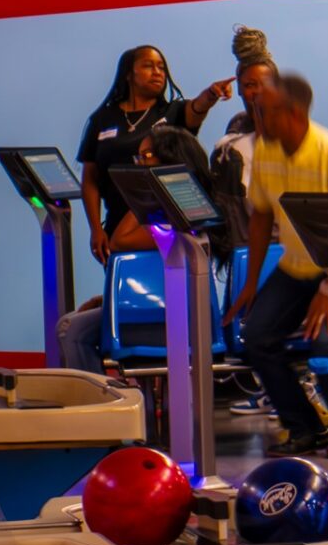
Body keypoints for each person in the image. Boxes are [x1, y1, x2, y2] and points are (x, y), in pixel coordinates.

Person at [227, 73, 328, 457]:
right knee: (257, 337)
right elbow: (261, 215)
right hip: (295, 267)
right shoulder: (266, 150)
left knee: (325, 342)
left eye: (266, 111)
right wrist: (251, 283)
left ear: (294, 113)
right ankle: (305, 427)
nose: (258, 118)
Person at [57, 124, 230, 373]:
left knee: (71, 330)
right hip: (157, 309)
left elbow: (120, 241)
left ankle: (101, 396)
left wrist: (143, 192)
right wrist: (107, 300)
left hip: (171, 317)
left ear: (169, 160)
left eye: (146, 157)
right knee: (70, 323)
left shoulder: (176, 215)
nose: (139, 165)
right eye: (138, 158)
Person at [78, 45, 233, 266]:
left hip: (164, 222)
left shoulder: (171, 112)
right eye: (148, 66)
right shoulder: (103, 119)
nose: (157, 72)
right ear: (129, 74)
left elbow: (197, 108)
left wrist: (211, 94)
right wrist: (95, 229)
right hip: (118, 222)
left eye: (161, 67)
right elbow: (90, 179)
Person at [209, 26, 278, 243]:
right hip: (237, 244)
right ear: (238, 88)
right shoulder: (237, 126)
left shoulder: (290, 134)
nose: (257, 92)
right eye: (249, 85)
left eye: (266, 84)